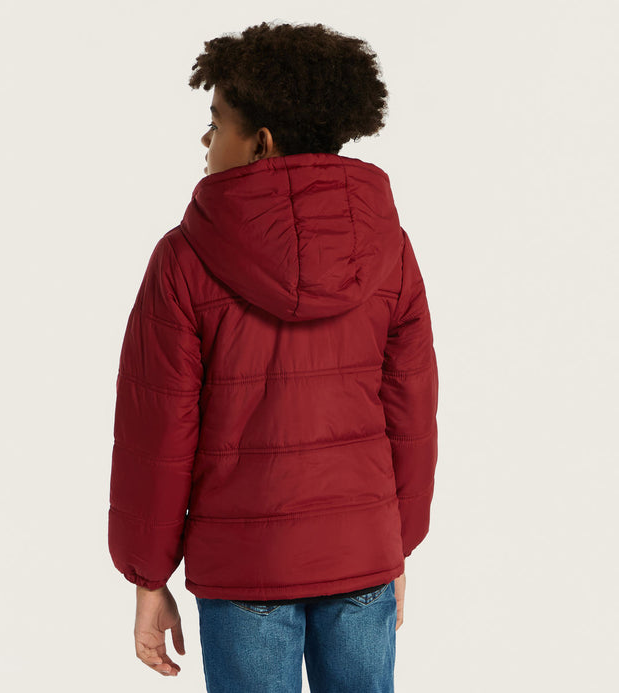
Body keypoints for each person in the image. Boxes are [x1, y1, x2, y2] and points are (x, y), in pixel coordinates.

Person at [108, 20, 439, 692]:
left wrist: (148, 574)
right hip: (360, 551)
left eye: (215, 123)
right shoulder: (388, 248)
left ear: (259, 142)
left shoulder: (183, 259)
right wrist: (394, 542)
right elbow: (412, 409)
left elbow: (158, 432)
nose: (206, 141)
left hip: (243, 567)